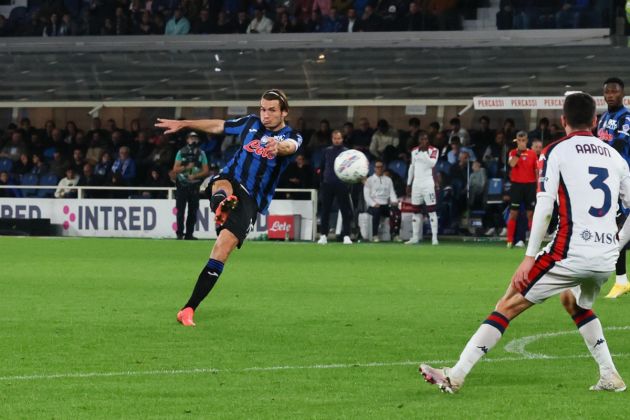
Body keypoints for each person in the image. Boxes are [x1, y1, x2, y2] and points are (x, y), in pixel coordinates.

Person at [420, 92, 629, 394]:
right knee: (571, 301)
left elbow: (544, 206)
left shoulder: (555, 150)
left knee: (507, 305)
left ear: (562, 120)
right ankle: (610, 375)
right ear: (595, 121)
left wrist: (530, 256)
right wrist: (617, 244)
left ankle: (455, 375)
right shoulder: (614, 156)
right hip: (605, 258)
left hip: (568, 252)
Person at [155, 89, 302, 327]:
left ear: (284, 112)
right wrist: (184, 123)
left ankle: (188, 308)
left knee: (221, 251)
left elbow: (291, 147)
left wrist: (279, 147)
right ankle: (221, 205)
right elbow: (218, 125)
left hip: (252, 200)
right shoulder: (250, 123)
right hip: (231, 179)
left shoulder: (291, 135)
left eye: (272, 110)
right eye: (263, 109)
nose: (265, 115)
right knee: (222, 183)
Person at [597, 77, 630, 299]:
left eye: (614, 91)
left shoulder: (626, 117)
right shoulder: (603, 118)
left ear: (622, 94)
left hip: (625, 180)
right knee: (615, 230)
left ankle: (620, 280)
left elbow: (619, 144)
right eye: (607, 91)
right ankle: (621, 280)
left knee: (620, 231)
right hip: (610, 181)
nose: (610, 95)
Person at [317, 130, 354, 245]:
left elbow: (351, 169)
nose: (337, 140)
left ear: (342, 139)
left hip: (342, 184)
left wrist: (348, 183)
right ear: (332, 139)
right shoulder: (326, 151)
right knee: (325, 211)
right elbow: (321, 167)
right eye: (335, 138)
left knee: (345, 210)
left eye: (339, 138)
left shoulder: (347, 152)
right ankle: (323, 235)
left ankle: (346, 236)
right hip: (328, 184)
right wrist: (322, 182)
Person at [170, 132, 209, 240]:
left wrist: (195, 175)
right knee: (180, 210)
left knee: (193, 210)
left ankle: (189, 234)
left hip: (194, 185)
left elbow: (206, 171)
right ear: (187, 140)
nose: (193, 140)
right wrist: (187, 167)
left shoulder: (201, 153)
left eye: (195, 138)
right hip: (182, 184)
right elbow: (175, 169)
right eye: (191, 138)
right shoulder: (181, 152)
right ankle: (179, 233)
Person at [406, 132, 439, 245]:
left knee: (431, 211)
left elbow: (432, 164)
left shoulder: (434, 150)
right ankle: (415, 237)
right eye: (422, 139)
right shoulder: (414, 151)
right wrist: (408, 183)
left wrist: (424, 154)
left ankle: (434, 238)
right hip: (417, 183)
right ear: (419, 141)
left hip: (428, 183)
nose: (424, 141)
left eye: (426, 139)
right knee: (415, 211)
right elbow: (412, 167)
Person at [506, 131, 538, 248]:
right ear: (516, 141)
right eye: (519, 140)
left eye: (523, 140)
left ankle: (533, 241)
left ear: (527, 140)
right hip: (517, 186)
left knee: (531, 214)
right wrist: (519, 152)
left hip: (530, 186)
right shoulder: (513, 152)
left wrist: (538, 186)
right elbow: (512, 164)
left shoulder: (533, 154)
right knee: (513, 213)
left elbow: (536, 171)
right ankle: (509, 241)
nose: (521, 142)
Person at [363, 160, 398, 242]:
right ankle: (375, 235)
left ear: (384, 168)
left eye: (381, 167)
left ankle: (395, 234)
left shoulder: (388, 180)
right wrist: (373, 204)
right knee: (377, 211)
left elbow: (392, 193)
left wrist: (394, 201)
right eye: (377, 167)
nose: (379, 169)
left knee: (396, 212)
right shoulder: (369, 180)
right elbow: (366, 196)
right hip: (373, 205)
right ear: (374, 168)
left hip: (385, 204)